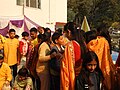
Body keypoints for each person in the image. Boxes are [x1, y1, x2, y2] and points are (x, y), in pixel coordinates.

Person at [61, 22, 87, 90]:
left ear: (69, 32)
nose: (65, 35)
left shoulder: (70, 45)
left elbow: (66, 67)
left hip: (73, 77)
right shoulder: (83, 43)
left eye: (65, 32)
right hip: (82, 75)